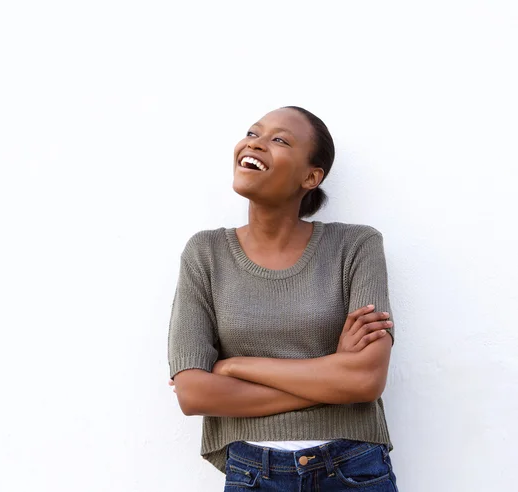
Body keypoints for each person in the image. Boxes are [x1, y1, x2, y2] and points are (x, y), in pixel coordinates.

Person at [167, 106, 398, 491]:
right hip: (254, 473)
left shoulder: (356, 245)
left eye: (279, 139)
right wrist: (331, 373)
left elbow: (365, 379)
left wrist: (236, 366)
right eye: (253, 133)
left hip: (352, 468)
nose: (255, 143)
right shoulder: (205, 253)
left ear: (311, 176)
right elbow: (193, 393)